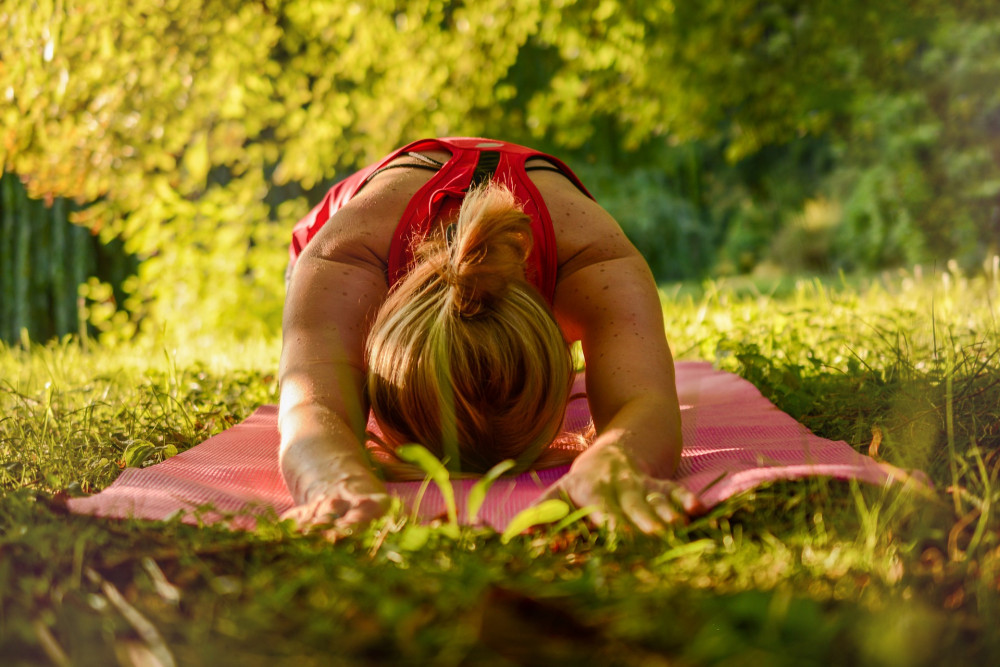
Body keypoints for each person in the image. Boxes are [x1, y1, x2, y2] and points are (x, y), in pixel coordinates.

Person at [278, 137, 701, 535]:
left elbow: (646, 403)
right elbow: (310, 407)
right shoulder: (345, 258)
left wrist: (617, 461)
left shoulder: (594, 260)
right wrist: (333, 479)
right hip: (350, 229)